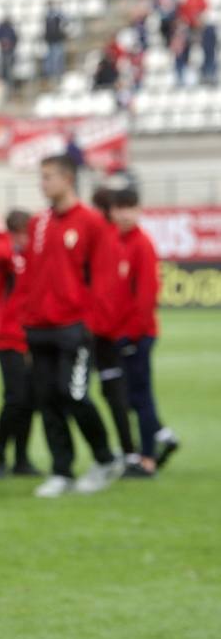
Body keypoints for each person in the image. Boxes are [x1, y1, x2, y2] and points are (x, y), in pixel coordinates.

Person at [19, 155, 121, 497]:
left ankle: (106, 458)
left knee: (74, 393)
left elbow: (104, 278)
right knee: (46, 398)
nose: (42, 183)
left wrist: (89, 322)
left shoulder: (91, 223)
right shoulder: (39, 223)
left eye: (48, 177)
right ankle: (61, 470)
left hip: (73, 327)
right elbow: (31, 275)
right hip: (39, 326)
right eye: (41, 176)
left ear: (67, 179)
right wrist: (27, 318)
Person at [109, 187, 180, 477]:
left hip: (137, 334)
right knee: (127, 397)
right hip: (119, 332)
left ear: (138, 210)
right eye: (119, 208)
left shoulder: (141, 244)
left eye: (130, 208)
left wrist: (133, 334)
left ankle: (148, 457)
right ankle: (151, 444)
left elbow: (146, 296)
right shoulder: (113, 241)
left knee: (140, 396)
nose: (124, 214)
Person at [0, 210, 39, 478]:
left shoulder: (31, 258)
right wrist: (0, 234)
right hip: (7, 338)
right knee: (15, 399)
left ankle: (21, 458)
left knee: (29, 400)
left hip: (31, 337)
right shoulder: (6, 257)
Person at [87, 187, 136, 465]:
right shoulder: (114, 240)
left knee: (91, 391)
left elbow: (105, 290)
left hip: (99, 329)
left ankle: (118, 451)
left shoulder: (104, 240)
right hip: (107, 327)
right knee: (111, 390)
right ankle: (127, 449)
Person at [43, 0, 68, 82]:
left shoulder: (56, 16)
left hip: (57, 40)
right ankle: (52, 75)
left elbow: (65, 21)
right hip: (51, 40)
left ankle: (58, 74)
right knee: (51, 58)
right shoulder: (47, 17)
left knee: (58, 57)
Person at [0, 14, 19, 87]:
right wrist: (3, 41)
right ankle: (4, 80)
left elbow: (15, 39)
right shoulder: (1, 29)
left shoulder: (10, 29)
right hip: (3, 51)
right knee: (4, 66)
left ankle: (9, 82)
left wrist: (10, 44)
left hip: (10, 51)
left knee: (9, 66)